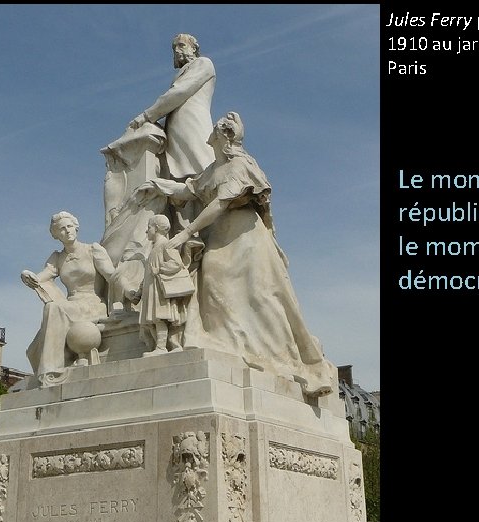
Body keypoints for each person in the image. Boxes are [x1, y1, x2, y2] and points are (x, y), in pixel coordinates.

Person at [139, 112, 337, 397]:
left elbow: (220, 203)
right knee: (214, 285)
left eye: (217, 131)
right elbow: (188, 190)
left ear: (223, 136)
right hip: (221, 235)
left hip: (245, 236)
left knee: (260, 295)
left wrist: (185, 233)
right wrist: (157, 184)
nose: (211, 134)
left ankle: (285, 357)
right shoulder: (213, 169)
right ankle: (233, 345)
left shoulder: (240, 165)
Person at [21, 211, 115, 385]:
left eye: (69, 226)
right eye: (62, 229)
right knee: (53, 309)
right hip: (71, 305)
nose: (67, 231)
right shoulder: (57, 257)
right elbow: (43, 276)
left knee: (54, 308)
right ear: (56, 235)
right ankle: (51, 368)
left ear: (76, 227)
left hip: (93, 304)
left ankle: (52, 369)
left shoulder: (93, 249)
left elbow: (112, 276)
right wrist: (29, 278)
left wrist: (129, 291)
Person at [128, 33, 216, 180]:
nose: (176, 50)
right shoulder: (185, 70)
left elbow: (179, 92)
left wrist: (147, 115)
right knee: (179, 176)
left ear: (194, 49)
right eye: (174, 47)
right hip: (176, 130)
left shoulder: (203, 63)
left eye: (182, 45)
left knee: (202, 166)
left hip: (192, 124)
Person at [129, 214, 191, 355]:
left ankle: (162, 347)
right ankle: (165, 346)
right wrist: (138, 294)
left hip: (160, 290)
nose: (146, 231)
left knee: (159, 318)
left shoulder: (165, 244)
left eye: (149, 227)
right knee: (153, 320)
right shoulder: (154, 248)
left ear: (156, 228)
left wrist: (161, 269)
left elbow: (176, 263)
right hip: (151, 290)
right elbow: (148, 274)